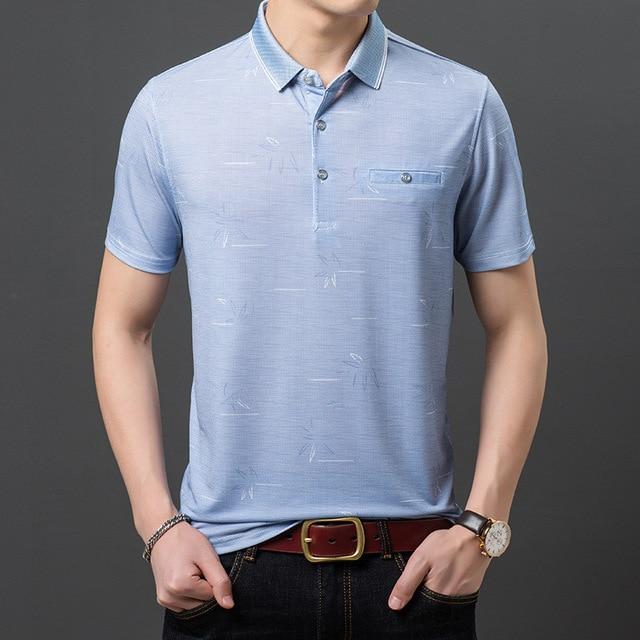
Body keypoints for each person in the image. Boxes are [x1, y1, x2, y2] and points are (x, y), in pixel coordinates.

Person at [92, 0, 547, 637]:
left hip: (413, 571)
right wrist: (156, 525)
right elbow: (122, 325)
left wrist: (483, 525)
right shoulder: (171, 106)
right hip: (229, 574)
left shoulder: (463, 103)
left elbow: (517, 324)